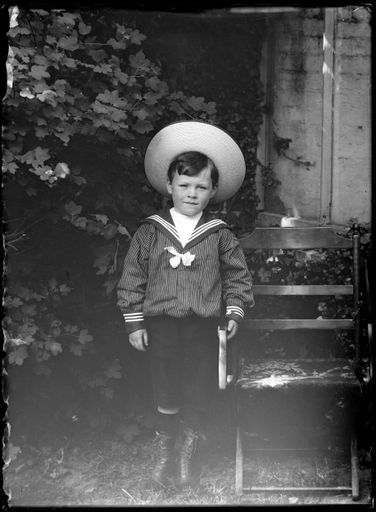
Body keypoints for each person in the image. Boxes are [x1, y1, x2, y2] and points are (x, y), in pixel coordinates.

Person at [117, 120, 254, 488]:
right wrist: (135, 322)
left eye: (200, 187)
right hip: (161, 325)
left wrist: (234, 311)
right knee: (166, 385)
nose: (191, 193)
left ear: (212, 192)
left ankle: (187, 460)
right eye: (184, 185)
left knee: (198, 386)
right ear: (169, 187)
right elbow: (133, 277)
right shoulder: (151, 230)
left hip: (203, 327)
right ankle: (165, 454)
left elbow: (237, 277)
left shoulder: (219, 234)